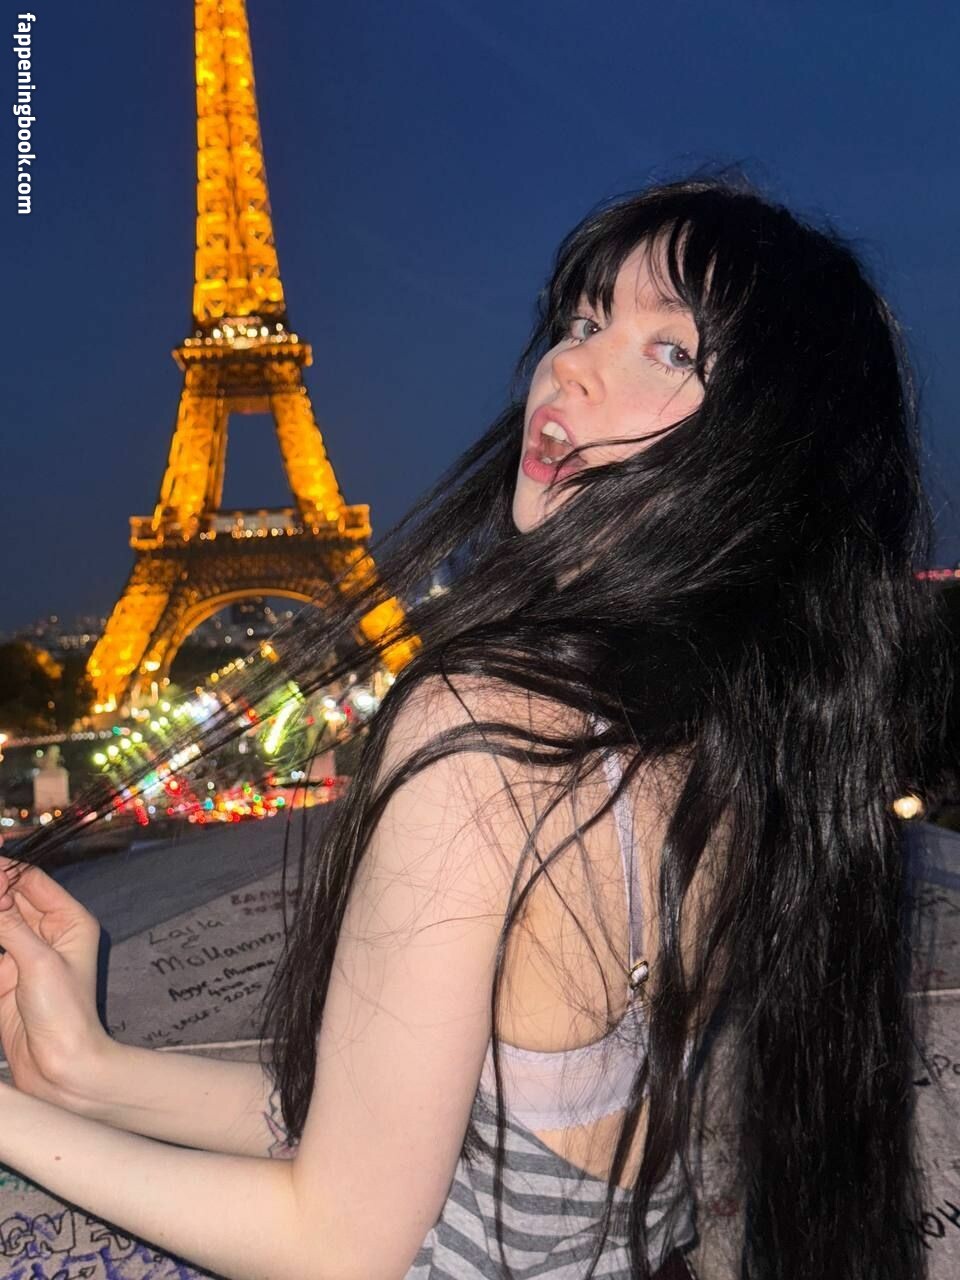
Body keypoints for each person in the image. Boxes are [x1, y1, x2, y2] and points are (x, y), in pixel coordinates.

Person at [0, 174, 946, 1280]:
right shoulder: (718, 740)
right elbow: (427, 1137)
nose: (571, 365)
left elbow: (339, 1241)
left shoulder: (487, 731)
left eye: (669, 349)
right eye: (583, 320)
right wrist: (91, 1073)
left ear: (767, 450)